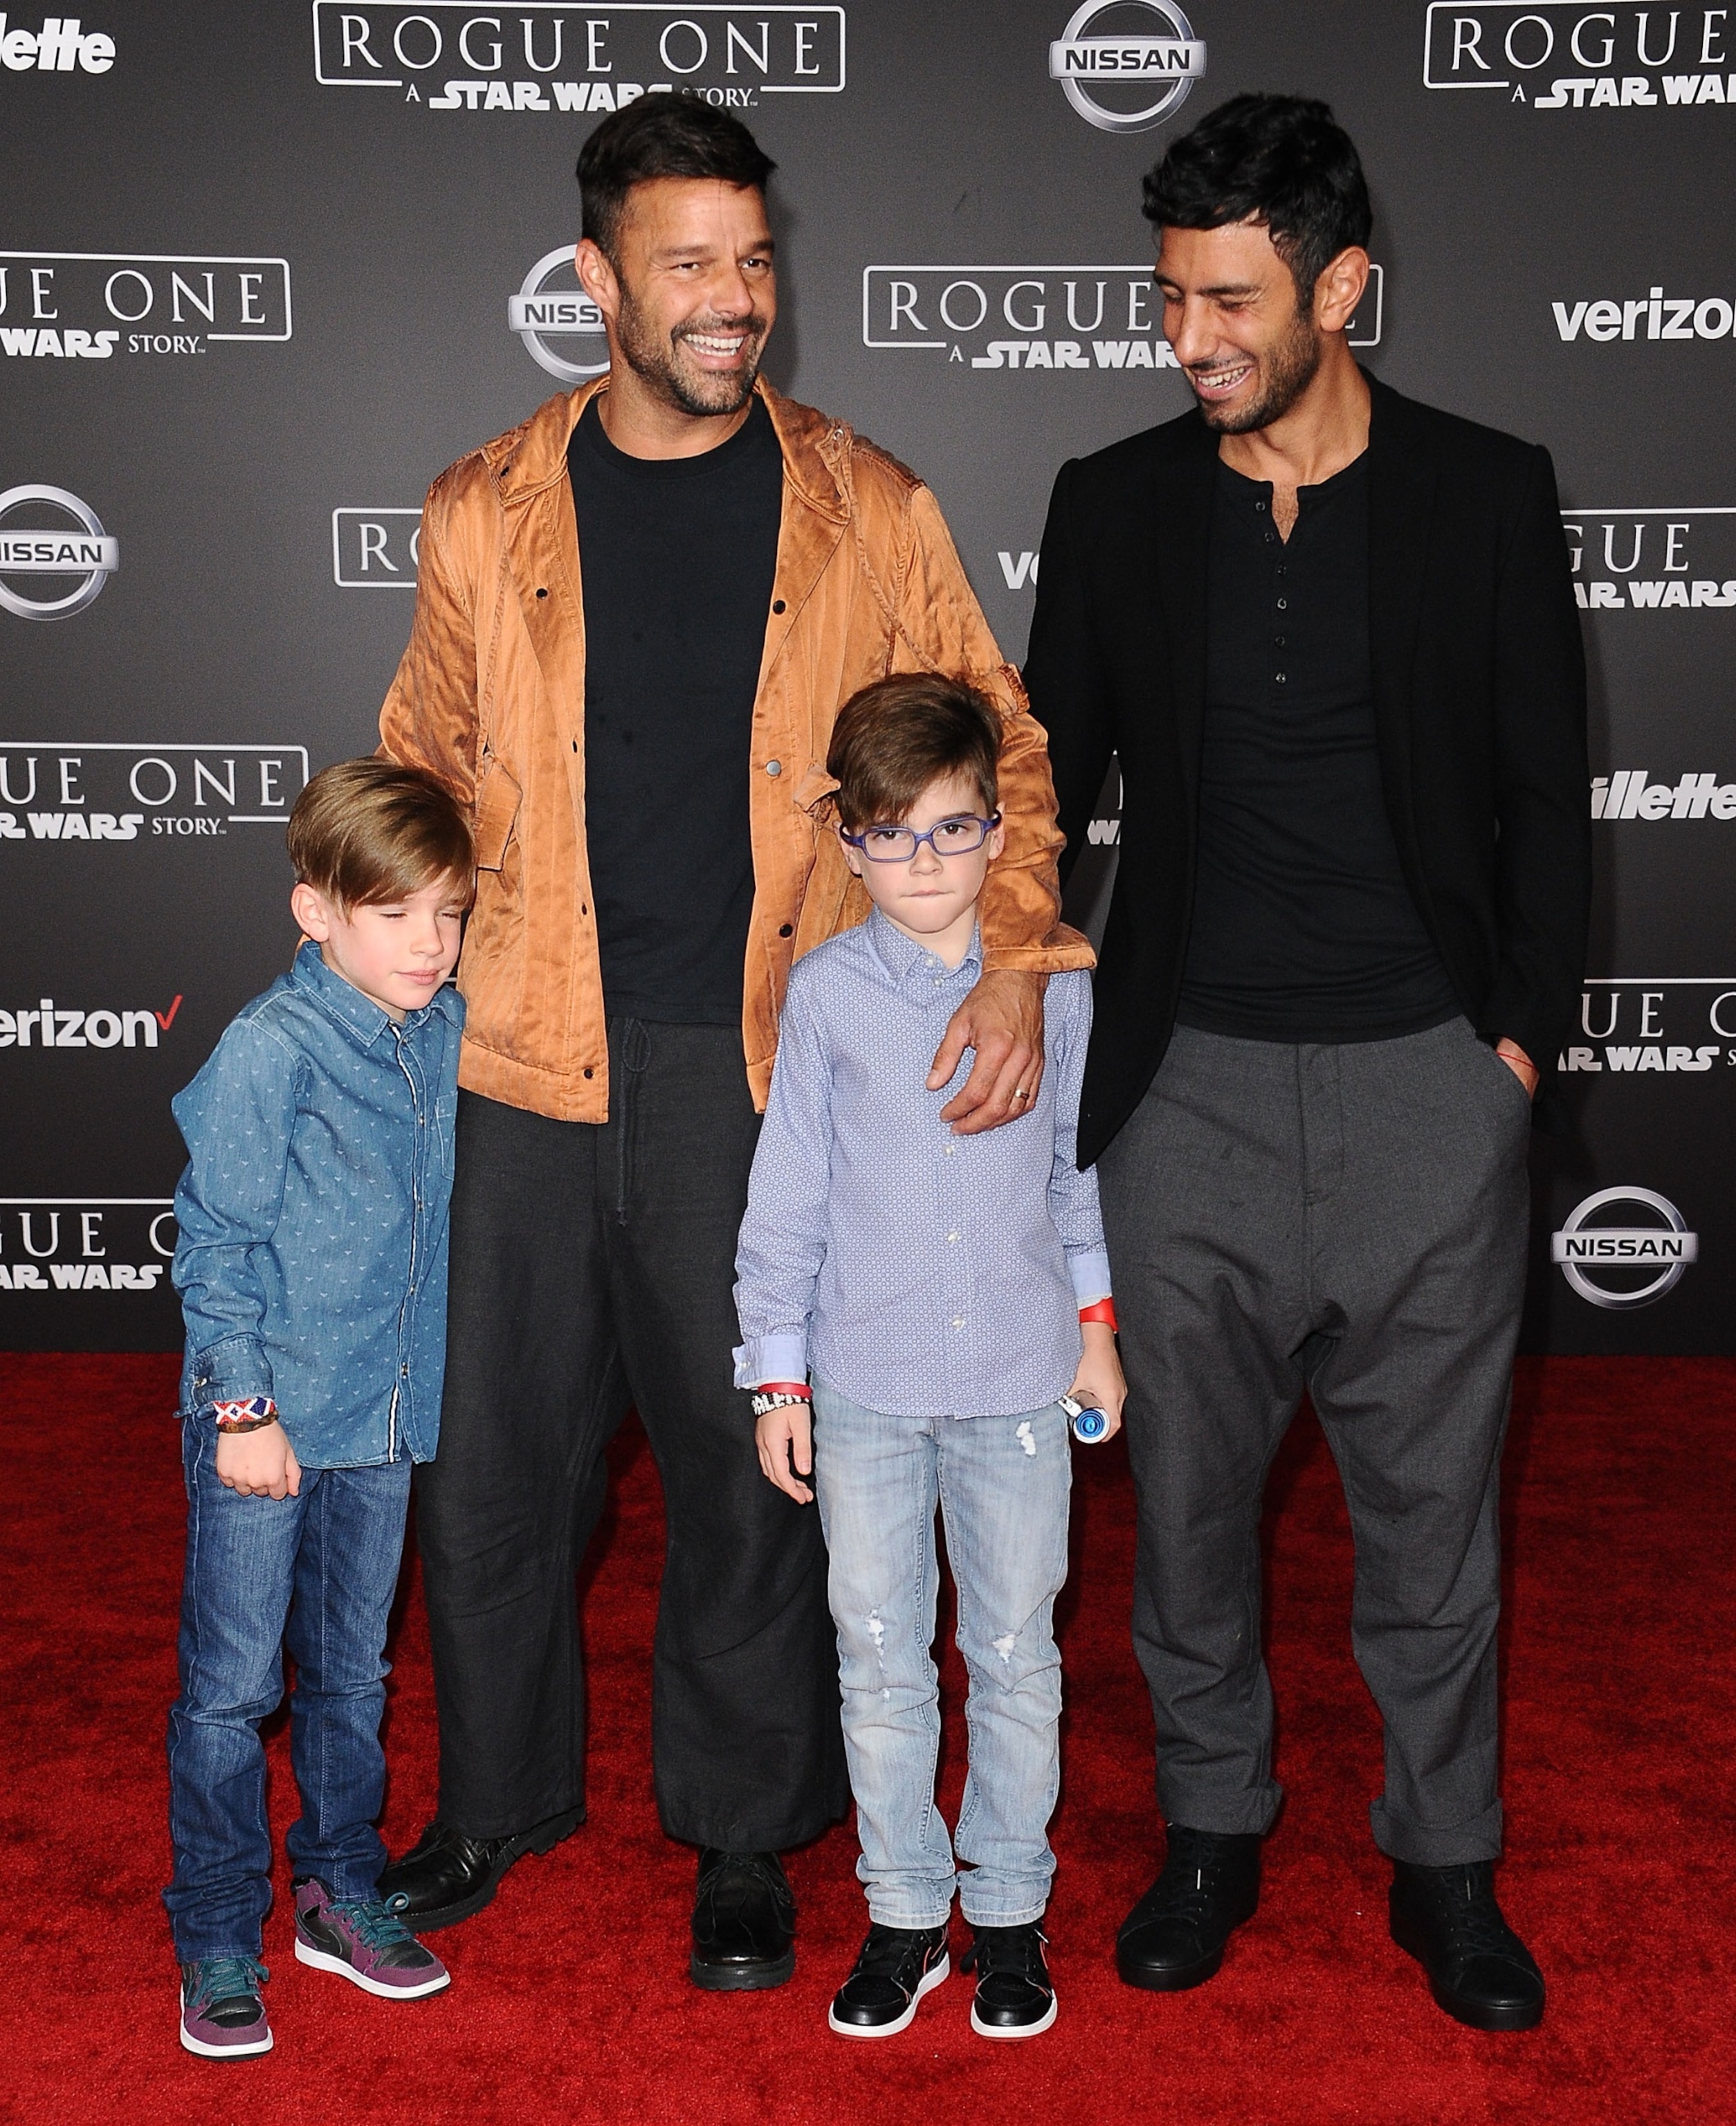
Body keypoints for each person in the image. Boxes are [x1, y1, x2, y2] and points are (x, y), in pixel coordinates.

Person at [375, 94, 1088, 1986]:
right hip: (520, 1052)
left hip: (765, 1057)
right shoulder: (478, 508)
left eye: (753, 260)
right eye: (686, 265)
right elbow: (416, 775)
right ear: (594, 278)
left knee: (744, 1464)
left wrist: (1014, 950)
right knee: (496, 1464)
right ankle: (493, 1801)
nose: (731, 300)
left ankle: (746, 1834)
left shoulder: (869, 499)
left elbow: (1003, 748)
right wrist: (367, 1009)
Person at [1023, 94, 1589, 2033]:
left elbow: (1542, 806)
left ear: (1341, 287)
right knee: (1181, 1509)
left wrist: (1503, 1057)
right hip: (1179, 1103)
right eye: (1171, 298)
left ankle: (1442, 1865)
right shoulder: (1109, 502)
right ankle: (1209, 1830)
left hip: (1422, 1087)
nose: (1191, 338)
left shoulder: (1482, 491)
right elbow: (1042, 791)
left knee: (1432, 1523)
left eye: (1231, 301)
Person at [735, 675, 1127, 2042]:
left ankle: (1009, 1915)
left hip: (1023, 1381)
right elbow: (785, 1201)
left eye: (954, 831)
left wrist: (1097, 1337)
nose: (922, 863)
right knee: (880, 1656)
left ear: (996, 832)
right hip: (864, 1389)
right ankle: (904, 1913)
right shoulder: (826, 994)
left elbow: (1076, 1177)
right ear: (847, 839)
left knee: (1017, 1655)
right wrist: (775, 1376)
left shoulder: (1055, 986)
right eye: (893, 835)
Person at [163, 759, 473, 2058]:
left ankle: (339, 1894)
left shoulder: (443, 1023)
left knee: (353, 1674)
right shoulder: (268, 1048)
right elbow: (214, 1241)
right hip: (270, 1418)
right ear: (317, 912)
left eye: (450, 913)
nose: (429, 943)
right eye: (395, 914)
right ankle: (220, 1935)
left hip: (389, 1414)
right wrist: (242, 1413)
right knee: (231, 1694)